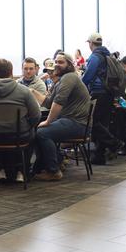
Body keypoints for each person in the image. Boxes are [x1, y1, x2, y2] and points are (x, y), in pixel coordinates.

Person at [0, 59, 41, 183]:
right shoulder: (24, 91)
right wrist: (27, 125)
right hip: (21, 136)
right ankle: (22, 171)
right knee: (33, 133)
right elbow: (36, 116)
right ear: (11, 72)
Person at [30, 52, 91, 181]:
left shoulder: (69, 77)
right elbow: (48, 103)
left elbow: (59, 102)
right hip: (72, 121)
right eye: (56, 62)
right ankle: (56, 161)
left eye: (61, 62)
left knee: (42, 133)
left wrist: (48, 121)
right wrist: (32, 91)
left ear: (69, 64)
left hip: (77, 123)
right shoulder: (62, 80)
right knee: (38, 130)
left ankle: (53, 171)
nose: (57, 64)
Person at [81, 33, 123, 165]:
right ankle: (99, 156)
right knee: (103, 124)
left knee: (94, 123)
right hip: (109, 92)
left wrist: (79, 87)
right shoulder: (107, 54)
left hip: (99, 92)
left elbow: (88, 76)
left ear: (91, 44)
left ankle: (114, 143)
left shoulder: (95, 57)